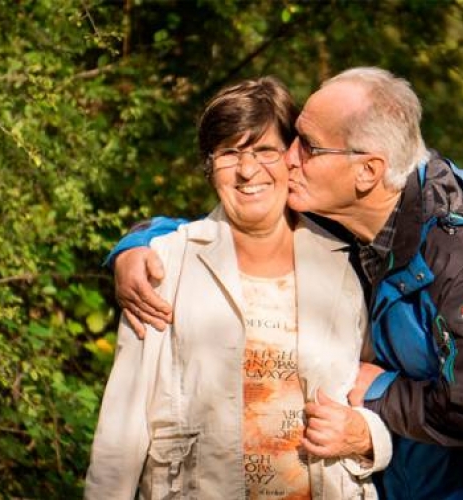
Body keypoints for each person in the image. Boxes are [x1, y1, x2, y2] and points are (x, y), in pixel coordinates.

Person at [110, 67, 463, 499]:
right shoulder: (359, 220)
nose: (287, 158)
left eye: (308, 146)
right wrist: (136, 245)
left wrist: (381, 390)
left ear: (367, 170)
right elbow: (229, 224)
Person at [84, 76, 392, 500]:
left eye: (265, 150)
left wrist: (370, 435)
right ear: (210, 165)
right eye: (229, 153)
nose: (248, 171)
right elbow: (121, 431)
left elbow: (386, 394)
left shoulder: (350, 264)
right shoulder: (165, 263)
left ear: (294, 156)